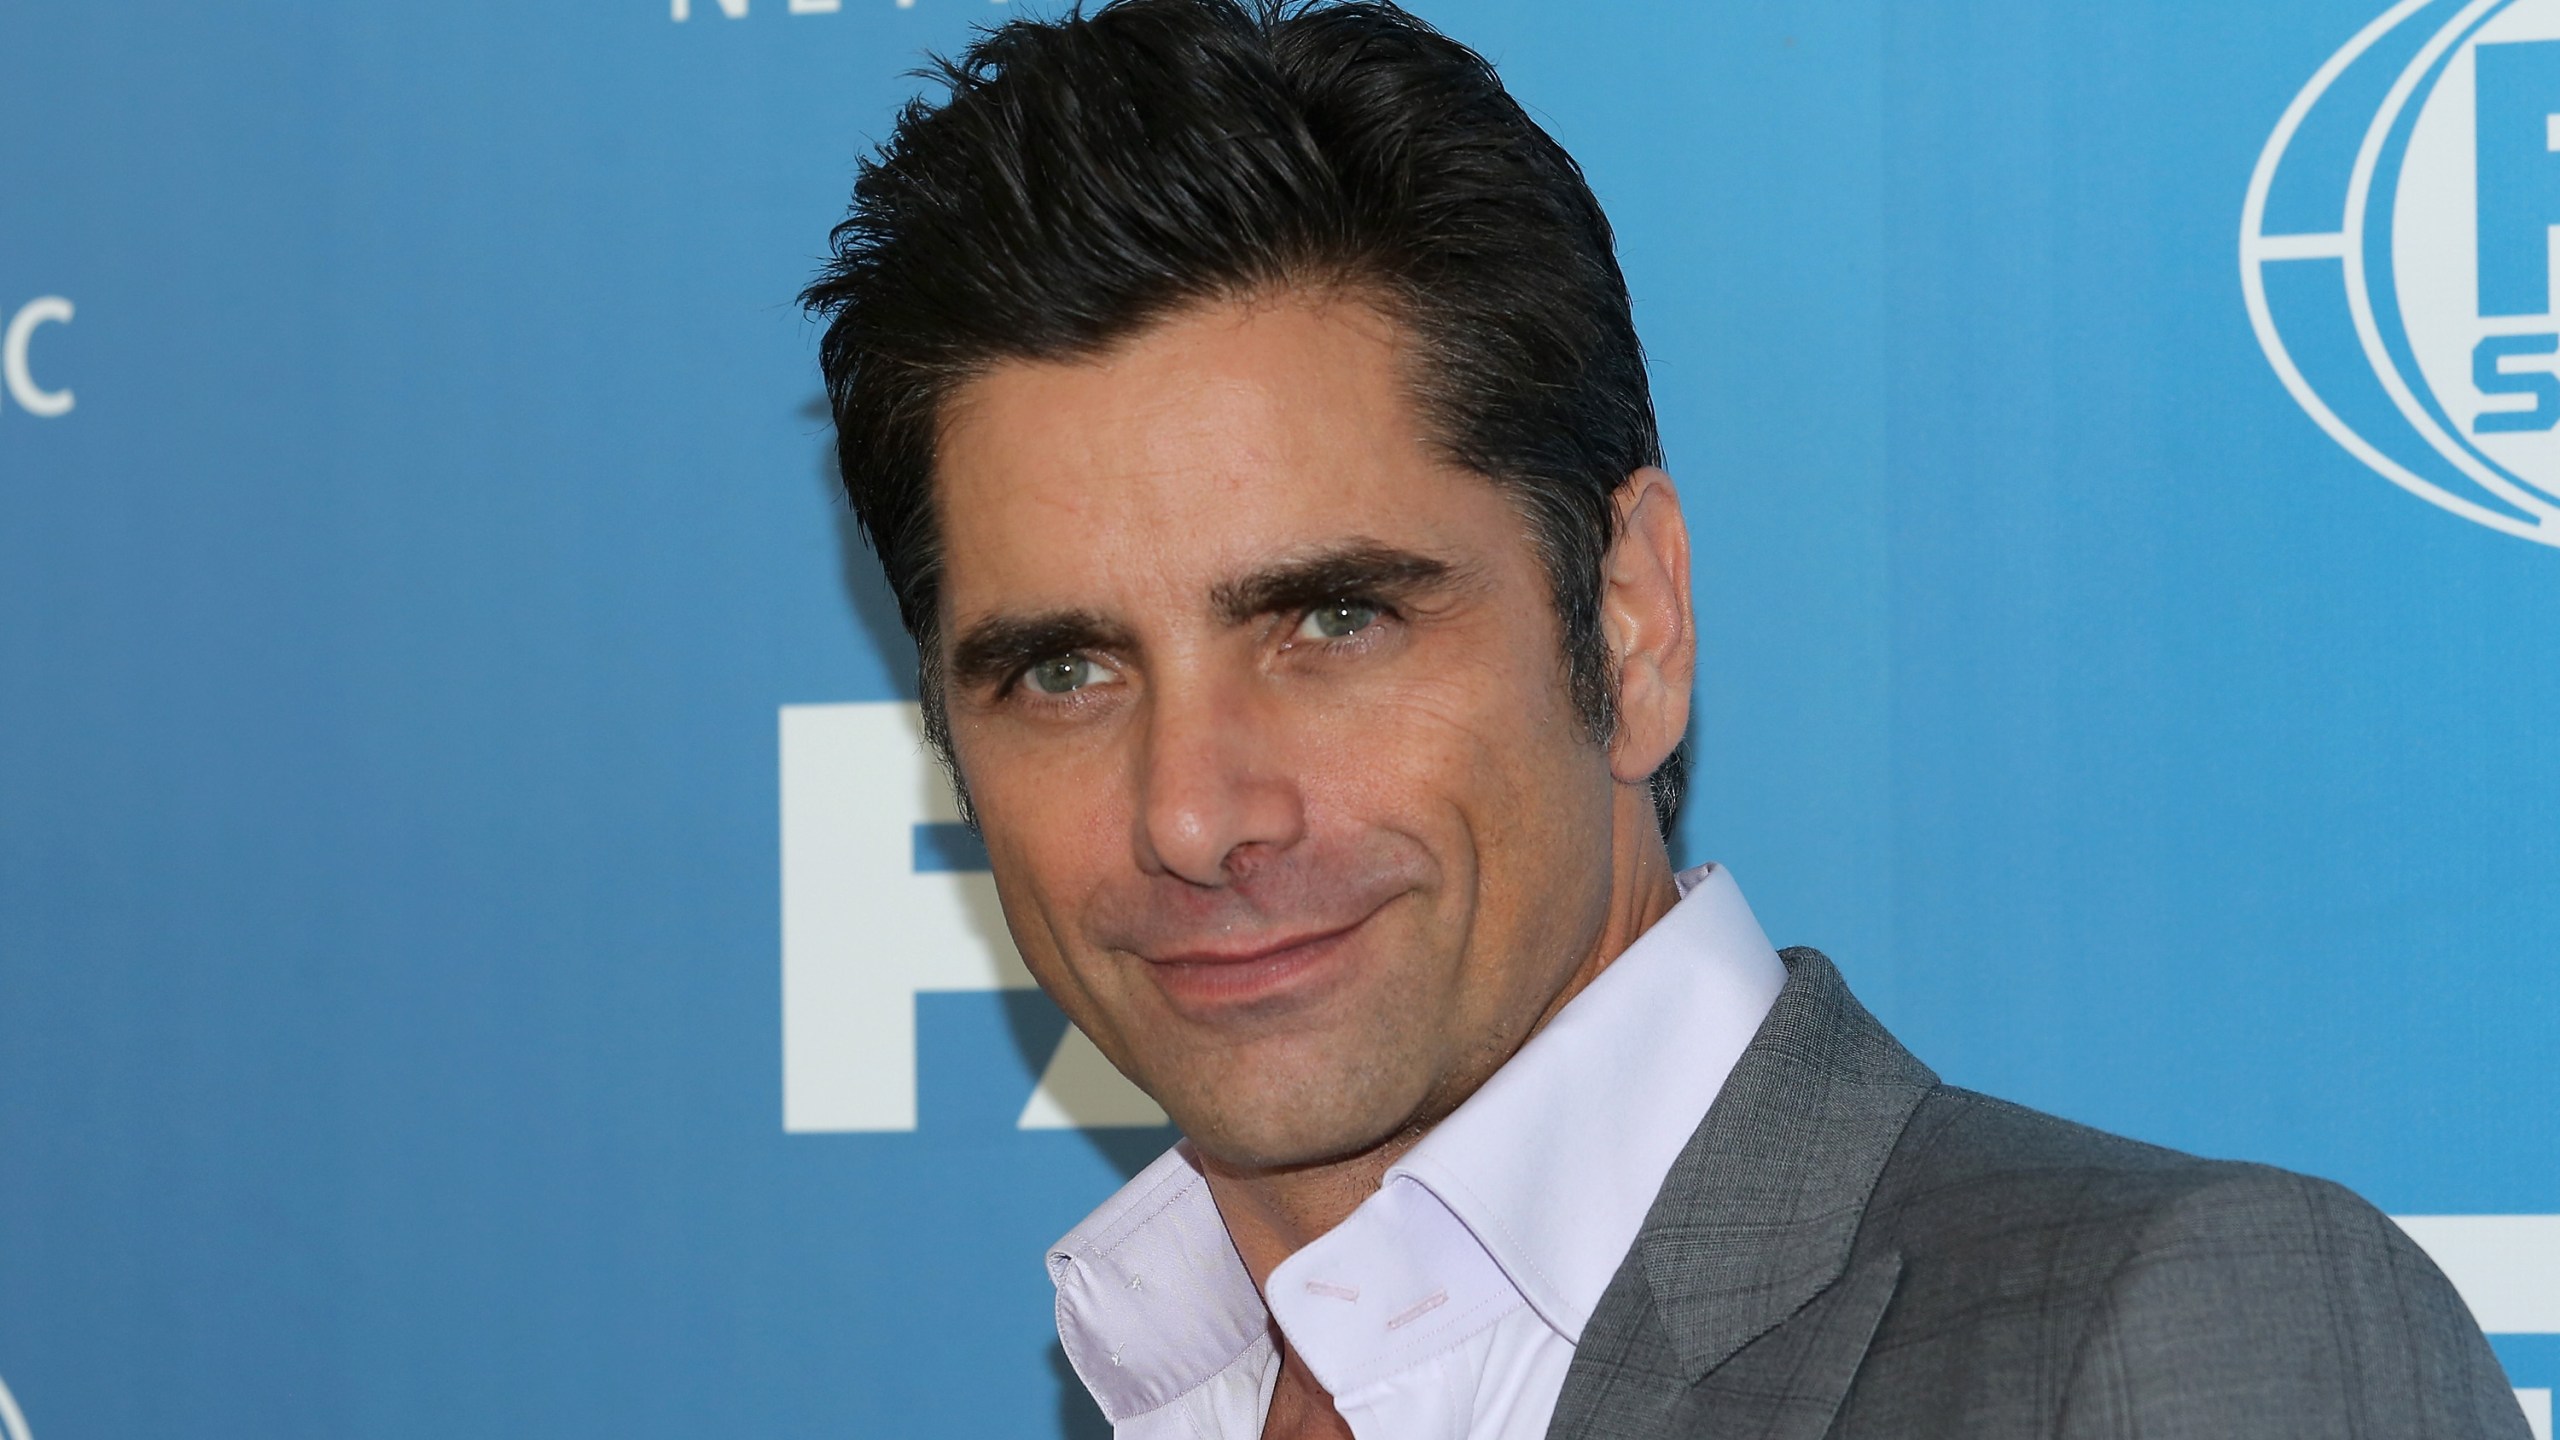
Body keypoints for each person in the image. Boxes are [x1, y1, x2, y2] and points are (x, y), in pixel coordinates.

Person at [799, 3, 2525, 1436]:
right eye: (1065, 674)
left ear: (1631, 622)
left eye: (1334, 620)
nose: (1193, 813)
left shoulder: (2166, 1344)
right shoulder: (1160, 1383)